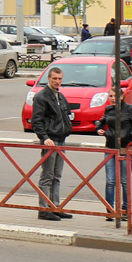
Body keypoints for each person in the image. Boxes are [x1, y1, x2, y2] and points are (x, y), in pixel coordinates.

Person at [30, 66, 73, 221]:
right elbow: (37, 121)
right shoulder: (42, 97)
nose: (57, 81)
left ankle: (55, 206)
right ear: (49, 78)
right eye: (54, 78)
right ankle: (44, 208)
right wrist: (44, 137)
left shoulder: (59, 96)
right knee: (47, 175)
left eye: (60, 79)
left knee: (57, 175)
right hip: (50, 140)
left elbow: (66, 114)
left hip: (61, 139)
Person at [95, 91, 132, 221]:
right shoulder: (109, 109)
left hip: (125, 148)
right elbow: (101, 122)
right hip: (110, 148)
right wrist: (99, 129)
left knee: (124, 181)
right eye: (110, 96)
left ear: (122, 97)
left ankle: (125, 210)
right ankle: (110, 210)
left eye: (115, 96)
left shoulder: (130, 109)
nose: (112, 99)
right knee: (110, 181)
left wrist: (127, 136)